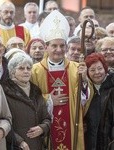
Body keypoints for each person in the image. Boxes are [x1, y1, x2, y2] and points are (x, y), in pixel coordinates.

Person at [31, 10, 91, 150]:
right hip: (46, 125)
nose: (59, 49)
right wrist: (48, 100)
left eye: (62, 45)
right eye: (54, 45)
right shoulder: (36, 70)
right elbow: (30, 98)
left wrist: (84, 81)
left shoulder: (77, 68)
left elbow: (85, 98)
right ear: (46, 47)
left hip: (71, 123)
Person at [2, 52, 51, 150]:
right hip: (16, 146)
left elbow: (47, 118)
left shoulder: (36, 90)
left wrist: (43, 128)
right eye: (21, 68)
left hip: (37, 144)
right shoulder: (5, 91)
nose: (26, 71)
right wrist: (19, 141)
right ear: (12, 71)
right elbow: (2, 121)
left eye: (28, 68)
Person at [84, 52, 114, 150]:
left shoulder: (111, 88)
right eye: (92, 70)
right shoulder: (85, 90)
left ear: (105, 69)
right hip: (90, 141)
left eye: (100, 68)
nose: (97, 72)